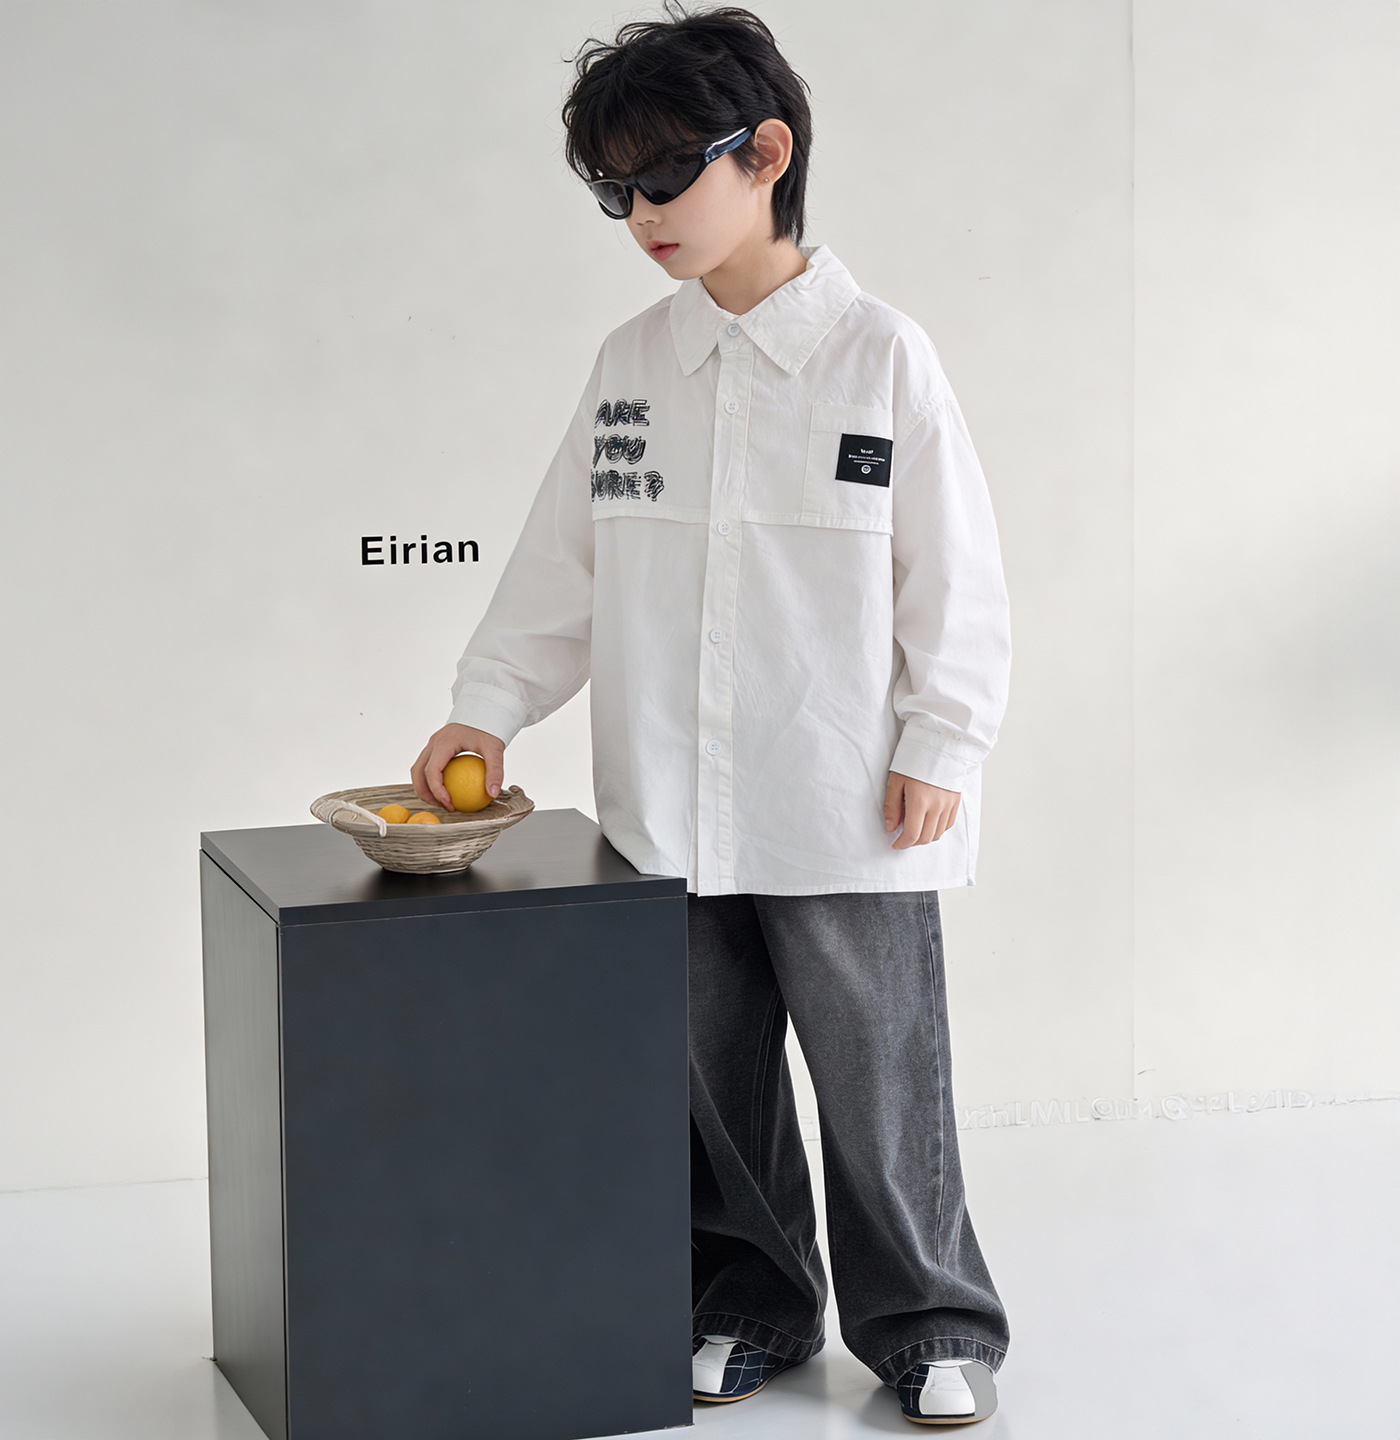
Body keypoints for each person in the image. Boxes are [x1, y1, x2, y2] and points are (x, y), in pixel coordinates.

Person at [411, 2, 1011, 1425]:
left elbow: (957, 576)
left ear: (769, 154)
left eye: (666, 175)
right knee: (709, 1082)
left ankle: (931, 1321)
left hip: (845, 798)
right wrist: (488, 709)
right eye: (615, 191)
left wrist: (943, 738)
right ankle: (751, 1301)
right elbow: (563, 559)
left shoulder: (881, 357)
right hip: (669, 797)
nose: (641, 216)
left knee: (880, 1080)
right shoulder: (633, 364)